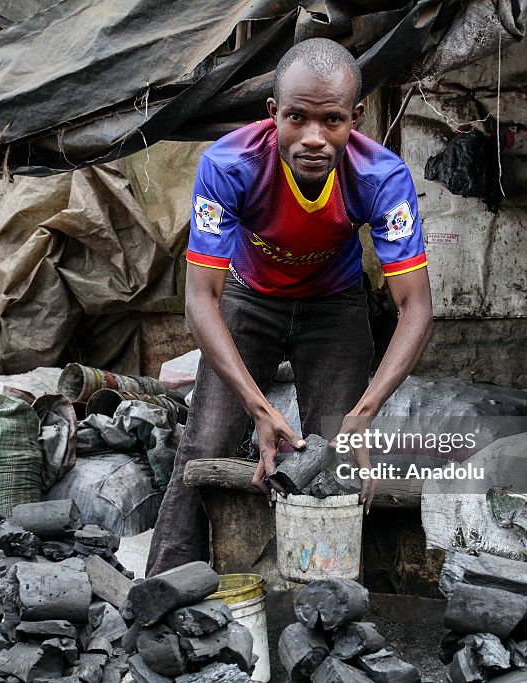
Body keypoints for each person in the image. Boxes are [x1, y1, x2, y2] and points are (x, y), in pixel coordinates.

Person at [145, 37, 433, 577]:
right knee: (204, 444)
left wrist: (365, 414)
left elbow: (415, 307)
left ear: (357, 118)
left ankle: (339, 611)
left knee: (338, 455)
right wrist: (257, 407)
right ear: (273, 113)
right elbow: (200, 299)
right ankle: (162, 593)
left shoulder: (381, 177)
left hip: (335, 308)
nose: (314, 138)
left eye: (332, 121)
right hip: (249, 299)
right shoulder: (228, 165)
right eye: (297, 118)